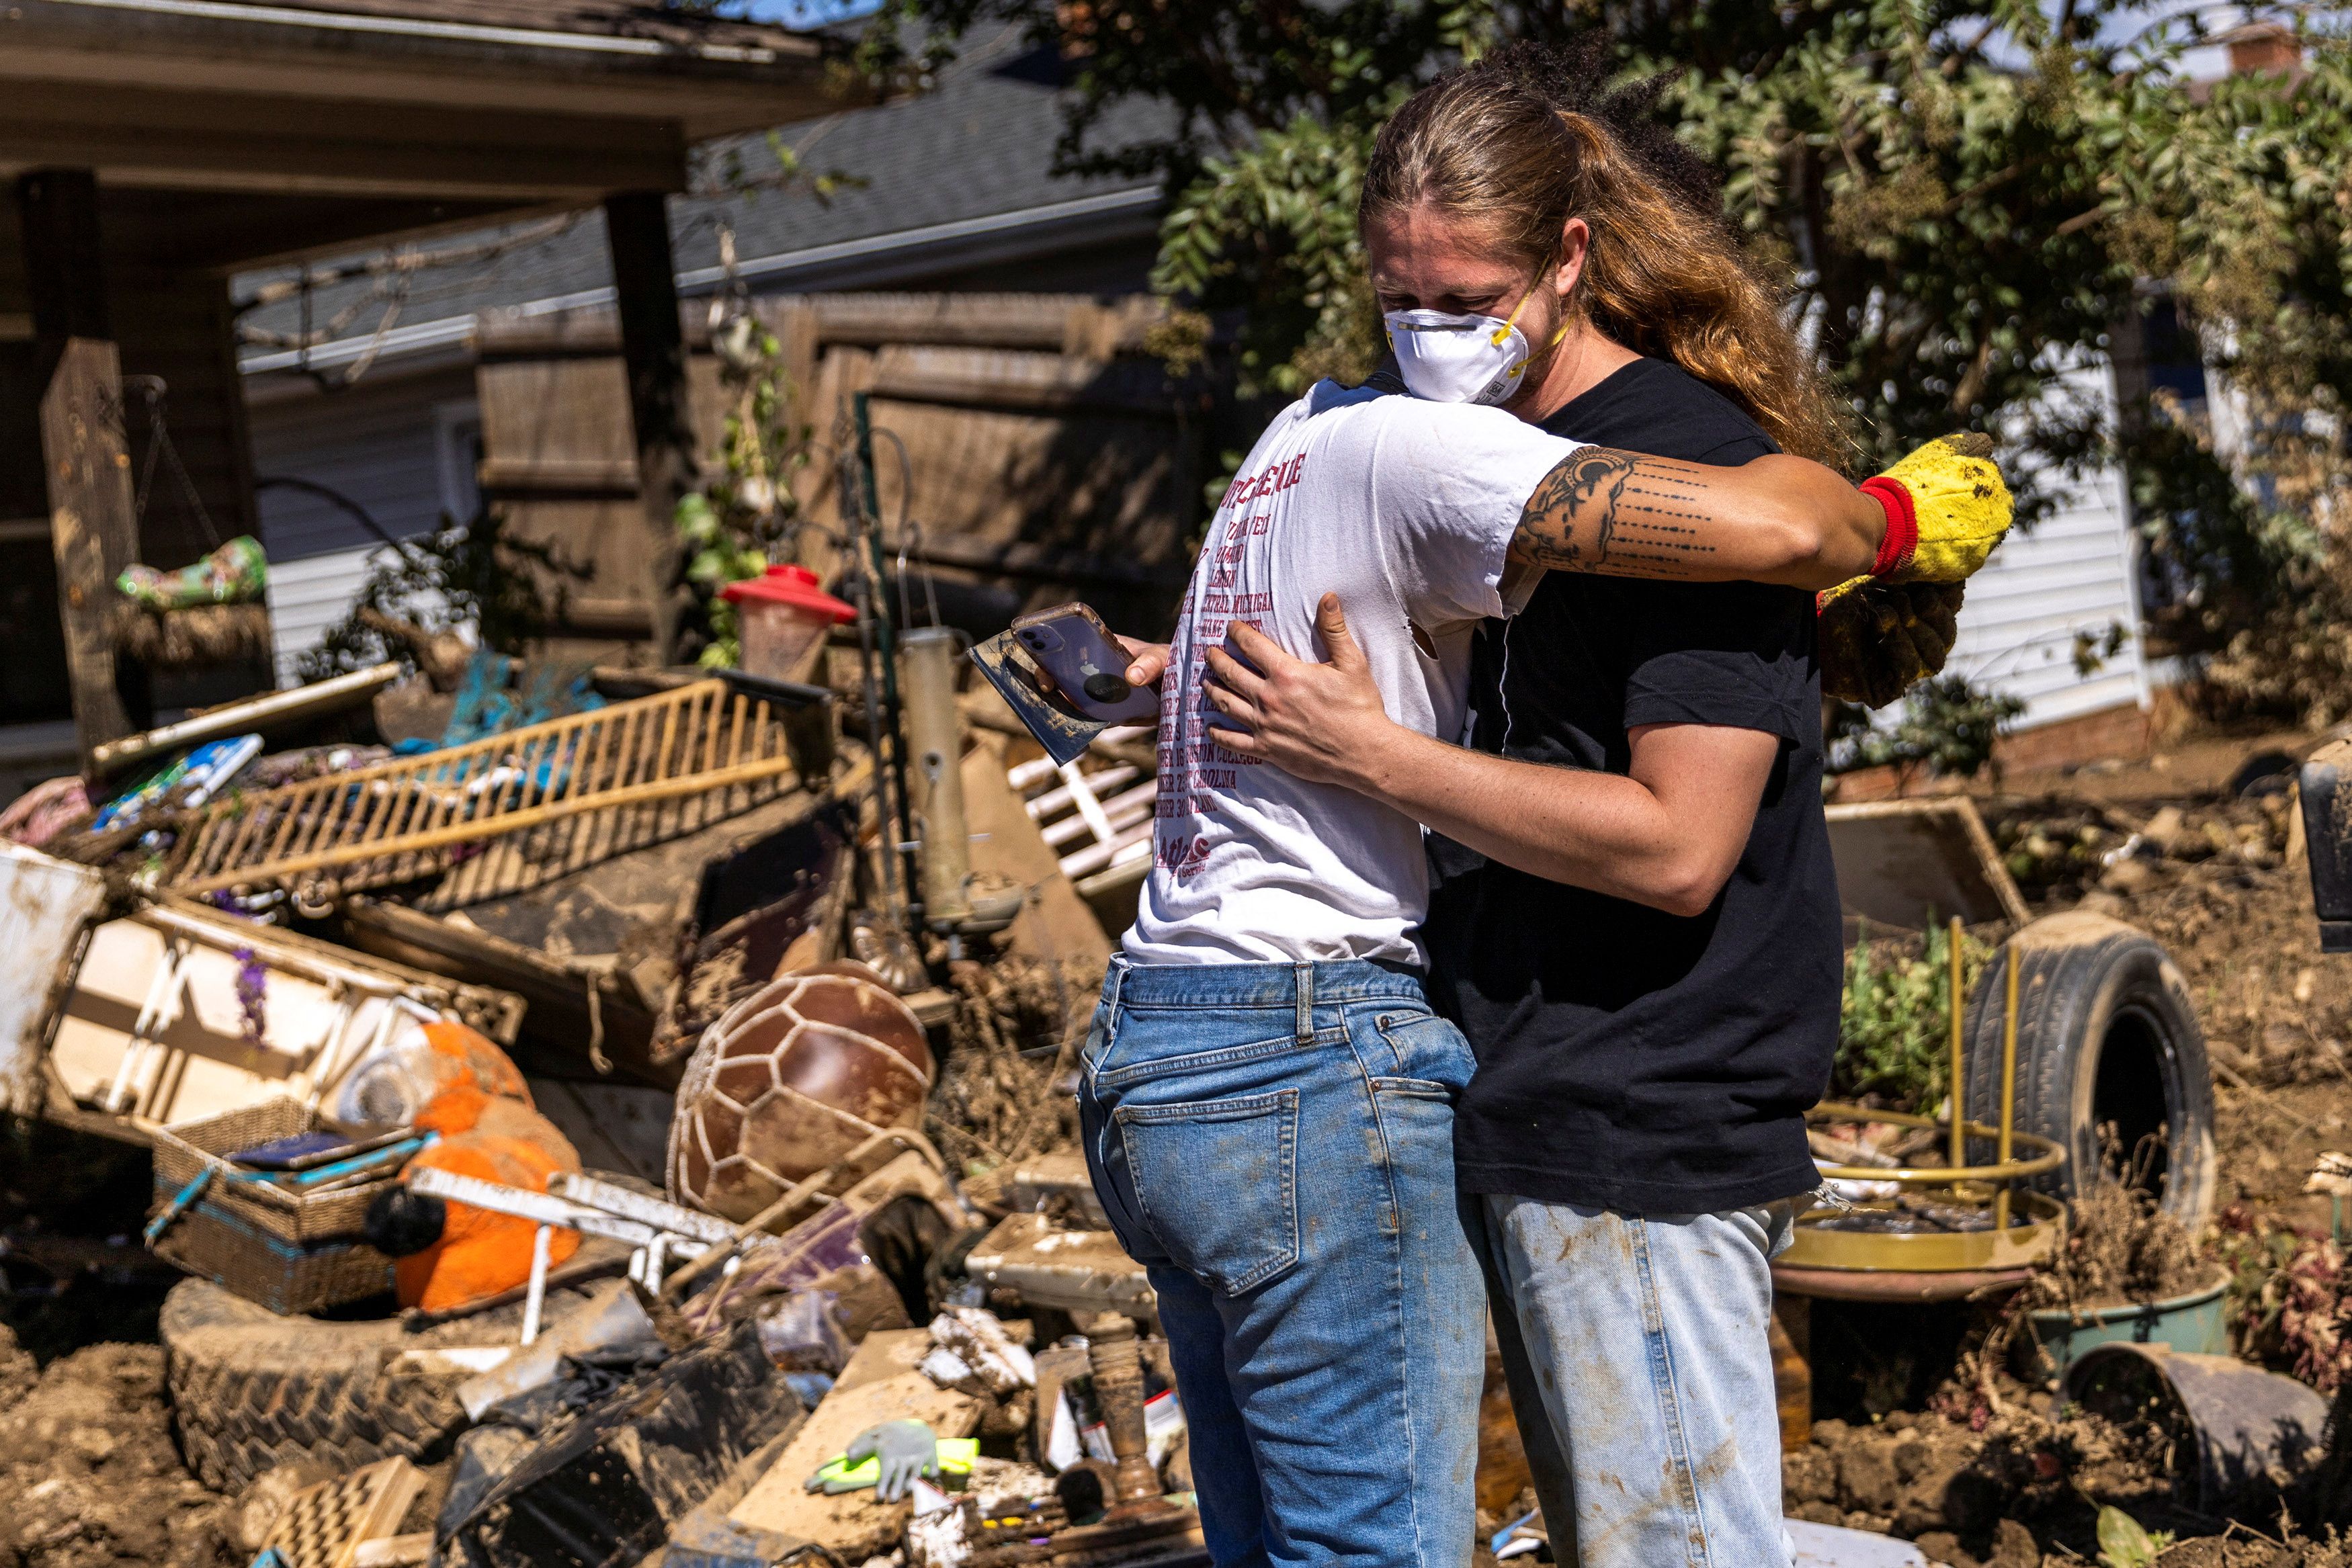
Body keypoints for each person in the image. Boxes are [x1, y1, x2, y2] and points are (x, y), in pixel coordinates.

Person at [1081, 179, 2007, 1568]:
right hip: (1507, 1083)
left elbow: (1683, 844)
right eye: (1402, 299)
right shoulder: (1439, 453)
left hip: (1638, 1114)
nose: (1428, 333)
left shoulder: (1671, 460)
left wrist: (1875, 522)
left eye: (1464, 299)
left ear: (1567, 257)